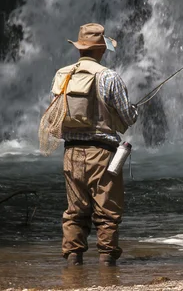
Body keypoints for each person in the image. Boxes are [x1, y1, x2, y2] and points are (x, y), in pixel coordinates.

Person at [50, 23, 138, 267]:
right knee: (107, 213)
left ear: (79, 48)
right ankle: (107, 269)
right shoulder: (109, 77)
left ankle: (73, 266)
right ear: (102, 49)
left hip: (71, 152)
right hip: (103, 154)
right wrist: (134, 111)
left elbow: (55, 116)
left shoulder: (62, 75)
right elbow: (128, 118)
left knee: (75, 211)